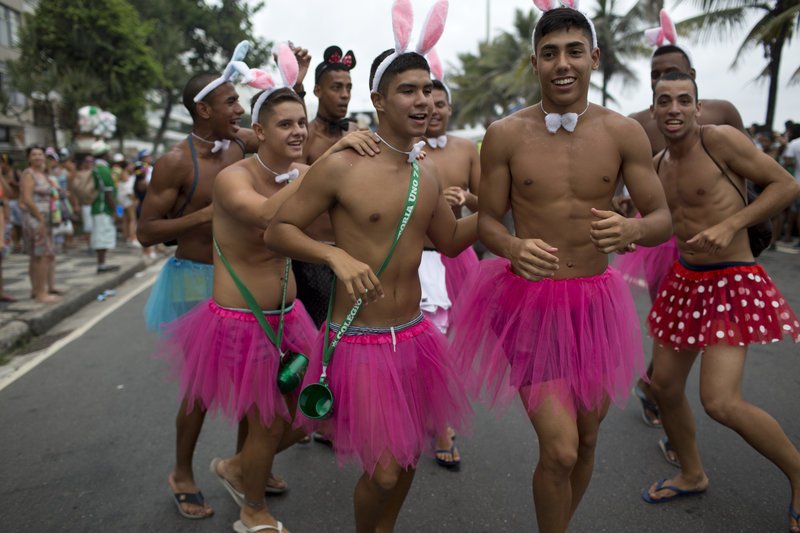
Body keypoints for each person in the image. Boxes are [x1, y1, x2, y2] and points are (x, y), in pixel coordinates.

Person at [447, 5, 672, 532]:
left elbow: (662, 217)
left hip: (595, 303)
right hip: (527, 303)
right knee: (562, 449)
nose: (562, 64)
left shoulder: (623, 133)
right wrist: (511, 247)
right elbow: (487, 223)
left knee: (587, 438)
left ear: (594, 57)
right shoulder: (505, 134)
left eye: (574, 51)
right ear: (534, 62)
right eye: (550, 54)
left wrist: (634, 230)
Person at [265, 3, 476, 529]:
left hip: (416, 337)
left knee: (405, 460)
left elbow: (450, 243)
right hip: (359, 341)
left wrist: (500, 207)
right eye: (409, 90)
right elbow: (279, 230)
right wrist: (334, 254)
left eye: (429, 89)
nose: (424, 100)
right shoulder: (343, 163)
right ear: (379, 100)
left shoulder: (426, 174)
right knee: (382, 471)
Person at [189, 49, 381, 531]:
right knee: (269, 421)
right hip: (242, 322)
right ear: (259, 132)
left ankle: (239, 468)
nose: (298, 131)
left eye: (300, 123)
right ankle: (251, 509)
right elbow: (265, 216)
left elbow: (335, 216)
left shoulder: (299, 174)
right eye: (285, 125)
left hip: (288, 317)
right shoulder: (235, 179)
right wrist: (326, 160)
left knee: (306, 419)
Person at [137, 42, 309, 520]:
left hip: (248, 283)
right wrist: (206, 217)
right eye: (230, 101)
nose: (238, 107)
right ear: (203, 109)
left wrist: (294, 84)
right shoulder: (175, 161)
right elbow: (145, 231)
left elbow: (282, 135)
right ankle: (183, 472)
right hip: (196, 278)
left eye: (240, 102)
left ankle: (251, 463)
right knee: (201, 391)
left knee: (257, 389)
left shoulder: (240, 144)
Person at [640, 71, 800, 533]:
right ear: (654, 110)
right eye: (664, 101)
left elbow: (785, 185)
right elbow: (656, 217)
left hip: (732, 280)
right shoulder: (657, 164)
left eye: (683, 100)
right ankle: (692, 473)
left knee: (721, 401)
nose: (673, 108)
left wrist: (732, 226)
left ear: (697, 105)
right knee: (664, 387)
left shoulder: (721, 141)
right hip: (686, 281)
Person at [617, 10, 747, 433]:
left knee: (705, 337)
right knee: (674, 328)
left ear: (691, 75)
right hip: (662, 242)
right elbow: (621, 182)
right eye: (656, 75)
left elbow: (747, 172)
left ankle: (659, 387)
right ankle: (664, 394)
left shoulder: (722, 114)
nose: (662, 78)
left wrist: (739, 224)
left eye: (671, 72)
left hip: (722, 242)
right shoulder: (640, 123)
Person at [420, 56, 481, 468]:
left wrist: (465, 199)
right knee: (428, 345)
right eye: (429, 103)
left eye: (441, 103)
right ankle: (439, 423)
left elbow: (489, 201)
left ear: (449, 107)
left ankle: (434, 413)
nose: (435, 110)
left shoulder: (465, 148)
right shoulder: (402, 149)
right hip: (416, 261)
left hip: (455, 259)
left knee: (447, 345)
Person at [19, 146, 63, 303]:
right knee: (41, 256)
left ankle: (36, 290)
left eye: (40, 154)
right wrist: (40, 218)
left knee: (41, 255)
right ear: (29, 158)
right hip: (36, 219)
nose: (38, 157)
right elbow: (27, 199)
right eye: (34, 154)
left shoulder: (43, 174)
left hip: (45, 218)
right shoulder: (29, 174)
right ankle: (40, 293)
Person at [89, 142, 120, 273]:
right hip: (102, 208)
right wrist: (115, 211)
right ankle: (101, 264)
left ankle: (102, 263)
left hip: (100, 208)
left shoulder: (97, 168)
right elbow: (108, 193)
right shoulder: (103, 170)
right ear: (104, 154)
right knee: (101, 236)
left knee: (102, 235)